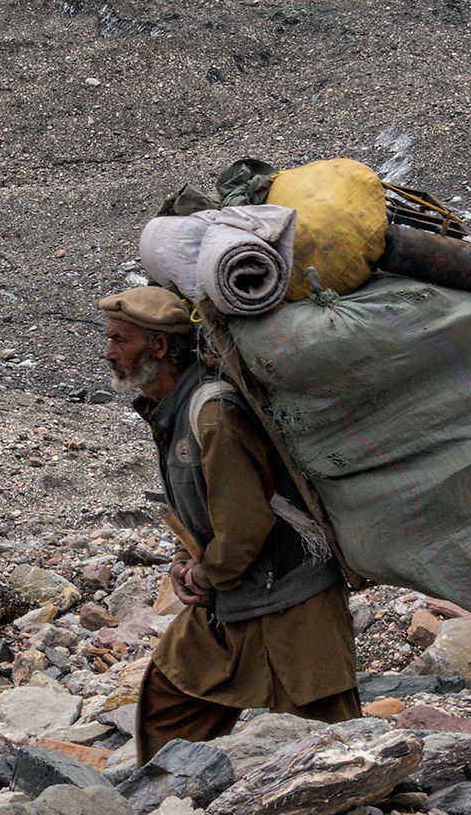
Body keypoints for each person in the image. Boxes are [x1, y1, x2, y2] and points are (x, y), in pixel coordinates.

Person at [100, 284, 359, 758]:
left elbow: (244, 525)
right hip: (237, 591)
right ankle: (170, 792)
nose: (109, 352)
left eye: (120, 340)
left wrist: (206, 573)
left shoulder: (213, 414)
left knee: (332, 746)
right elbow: (195, 507)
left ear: (159, 347)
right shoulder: (170, 410)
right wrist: (183, 561)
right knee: (172, 694)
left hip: (293, 597)